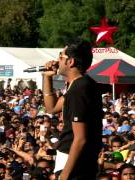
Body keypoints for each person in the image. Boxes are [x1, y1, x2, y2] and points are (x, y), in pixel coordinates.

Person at [42, 38, 103, 179]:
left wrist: (65, 174)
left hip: (74, 161)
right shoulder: (79, 84)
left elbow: (81, 138)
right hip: (75, 159)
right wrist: (47, 78)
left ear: (71, 62)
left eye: (60, 56)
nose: (57, 60)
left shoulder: (79, 89)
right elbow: (51, 108)